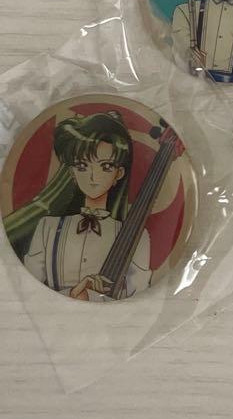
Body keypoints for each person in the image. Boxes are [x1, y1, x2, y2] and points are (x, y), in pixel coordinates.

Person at [6, 111, 150, 300]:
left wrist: (90, 296)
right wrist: (75, 293)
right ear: (72, 172)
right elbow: (30, 290)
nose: (93, 177)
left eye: (106, 166)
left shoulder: (136, 237)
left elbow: (139, 298)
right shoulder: (47, 227)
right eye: (83, 166)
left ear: (119, 173)